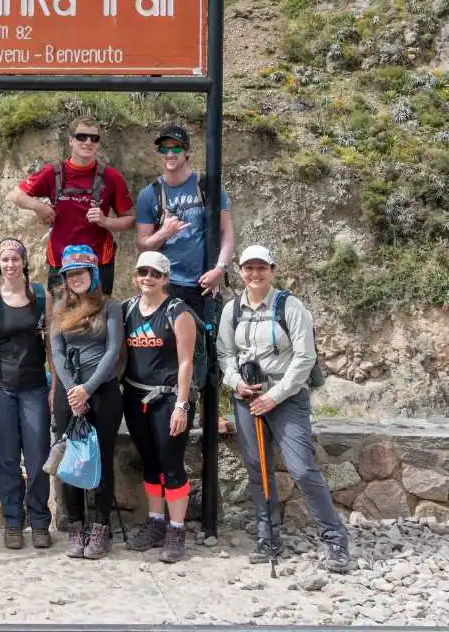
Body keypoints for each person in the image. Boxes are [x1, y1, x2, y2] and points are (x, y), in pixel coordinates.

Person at [217, 245, 351, 573]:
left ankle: (334, 538)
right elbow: (225, 353)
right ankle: (269, 536)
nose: (255, 274)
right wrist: (236, 383)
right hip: (247, 396)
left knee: (302, 467)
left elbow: (305, 358)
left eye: (261, 267)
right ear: (240, 271)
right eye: (249, 268)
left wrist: (274, 396)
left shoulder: (290, 306)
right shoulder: (231, 310)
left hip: (286, 397)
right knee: (256, 467)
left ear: (273, 270)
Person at [0, 238, 53, 550]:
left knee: (37, 458)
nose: (10, 265)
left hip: (35, 386)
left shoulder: (39, 295)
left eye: (15, 259)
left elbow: (51, 345)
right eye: (4, 260)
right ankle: (12, 521)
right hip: (2, 387)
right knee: (7, 459)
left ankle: (38, 521)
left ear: (24, 261)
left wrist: (55, 388)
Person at [122, 251, 198, 564]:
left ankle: (176, 530)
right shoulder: (128, 309)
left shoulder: (178, 312)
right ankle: (155, 523)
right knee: (150, 463)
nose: (148, 278)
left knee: (171, 464)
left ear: (166, 279)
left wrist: (182, 405)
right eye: (143, 272)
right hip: (135, 397)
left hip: (168, 399)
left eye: (155, 273)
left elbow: (186, 361)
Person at [50, 244, 125, 560]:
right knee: (71, 461)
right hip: (70, 393)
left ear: (92, 274)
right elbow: (55, 351)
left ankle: (101, 526)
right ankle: (77, 526)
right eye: (70, 274)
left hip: (103, 391)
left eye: (81, 272)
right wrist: (73, 391)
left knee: (102, 458)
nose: (75, 279)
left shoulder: (110, 307)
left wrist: (88, 389)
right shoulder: (58, 308)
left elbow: (112, 350)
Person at [7, 115, 135, 295]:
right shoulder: (53, 173)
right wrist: (38, 206)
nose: (88, 142)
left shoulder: (112, 177)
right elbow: (15, 195)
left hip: (98, 264)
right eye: (82, 137)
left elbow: (130, 220)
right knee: (60, 318)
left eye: (94, 138)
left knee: (97, 319)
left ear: (98, 143)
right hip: (61, 262)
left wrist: (106, 221)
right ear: (71, 140)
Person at [135, 123, 235, 316]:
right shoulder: (149, 195)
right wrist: (164, 233)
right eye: (165, 149)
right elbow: (143, 245)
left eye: (176, 148)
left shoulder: (207, 188)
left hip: (202, 284)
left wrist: (220, 269)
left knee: (201, 344)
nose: (170, 154)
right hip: (163, 284)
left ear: (187, 152)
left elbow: (226, 232)